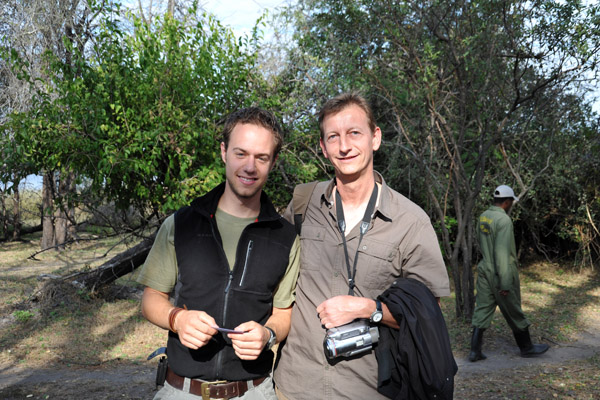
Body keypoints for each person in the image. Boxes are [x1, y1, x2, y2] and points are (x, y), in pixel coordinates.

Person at [273, 93, 451, 399]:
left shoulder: (411, 221)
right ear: (323, 148)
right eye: (333, 137)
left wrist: (372, 309)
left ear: (375, 138)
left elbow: (427, 316)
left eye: (354, 133)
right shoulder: (303, 204)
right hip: (293, 387)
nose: (344, 146)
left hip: (369, 390)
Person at [137, 107, 300, 400]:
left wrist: (267, 335)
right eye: (241, 153)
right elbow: (151, 300)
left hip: (254, 392)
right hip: (181, 391)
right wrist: (177, 319)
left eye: (261, 157)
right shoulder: (181, 224)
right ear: (224, 152)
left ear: (273, 162)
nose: (249, 167)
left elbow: (283, 314)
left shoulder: (286, 238)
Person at [469, 185, 549, 362]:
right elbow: (502, 253)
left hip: (484, 270)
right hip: (500, 272)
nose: (511, 204)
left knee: (482, 309)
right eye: (511, 201)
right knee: (513, 309)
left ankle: (474, 351)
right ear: (506, 202)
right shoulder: (504, 221)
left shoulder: (484, 217)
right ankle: (527, 347)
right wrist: (505, 283)